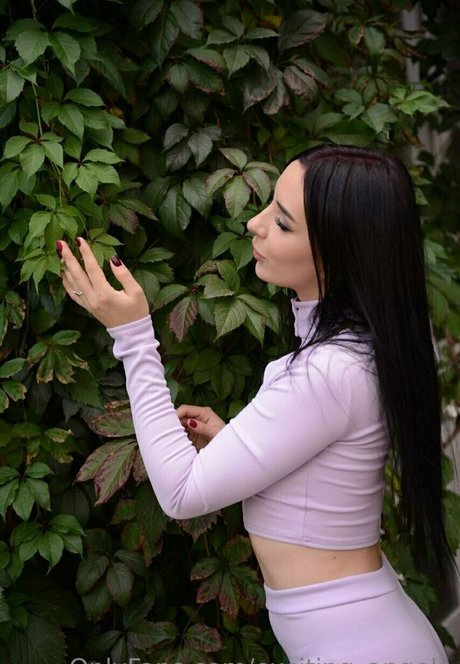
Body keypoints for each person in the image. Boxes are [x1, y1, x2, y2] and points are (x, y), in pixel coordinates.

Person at [57, 144, 453, 663]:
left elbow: (181, 493)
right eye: (269, 206)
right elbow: (323, 487)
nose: (254, 224)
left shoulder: (327, 371)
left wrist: (132, 335)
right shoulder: (361, 348)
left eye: (282, 223)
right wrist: (235, 444)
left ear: (340, 251)